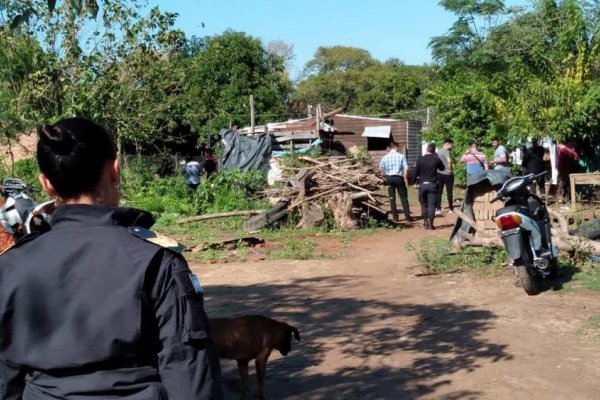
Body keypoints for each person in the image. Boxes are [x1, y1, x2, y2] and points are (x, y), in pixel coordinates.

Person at [0, 118, 223, 399]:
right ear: (115, 171)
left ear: (46, 185)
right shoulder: (155, 260)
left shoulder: (10, 266)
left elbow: (5, 376)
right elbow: (190, 375)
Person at [414, 143, 445, 230]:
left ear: (426, 149)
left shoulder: (420, 159)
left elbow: (415, 172)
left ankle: (425, 222)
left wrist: (413, 182)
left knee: (423, 204)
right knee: (432, 204)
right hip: (432, 184)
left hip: (422, 184)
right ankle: (431, 224)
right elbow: (442, 168)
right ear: (434, 151)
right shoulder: (436, 160)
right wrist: (437, 158)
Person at [379, 141, 412, 223]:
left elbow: (381, 169)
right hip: (399, 178)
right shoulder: (401, 156)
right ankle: (407, 217)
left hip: (389, 178)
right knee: (403, 198)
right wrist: (405, 178)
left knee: (392, 198)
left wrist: (384, 177)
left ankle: (395, 217)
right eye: (398, 147)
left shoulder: (385, 157)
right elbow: (406, 168)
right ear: (395, 147)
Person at [436, 138, 454, 215]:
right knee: (449, 192)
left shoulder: (438, 152)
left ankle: (438, 208)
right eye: (451, 145)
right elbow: (449, 161)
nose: (452, 146)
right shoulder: (447, 152)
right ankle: (450, 208)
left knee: (439, 192)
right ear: (448, 144)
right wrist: (449, 169)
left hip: (439, 173)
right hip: (448, 174)